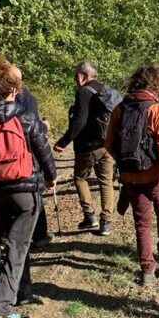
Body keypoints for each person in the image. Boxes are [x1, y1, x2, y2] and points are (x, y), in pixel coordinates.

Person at [0, 55, 56, 318]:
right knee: (18, 247)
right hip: (25, 190)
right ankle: (1, 306)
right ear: (13, 90)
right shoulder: (26, 118)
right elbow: (43, 152)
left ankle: (22, 291)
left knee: (16, 242)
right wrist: (51, 177)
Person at [105, 64, 159, 288]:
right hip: (154, 173)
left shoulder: (120, 108)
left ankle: (147, 272)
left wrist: (125, 162)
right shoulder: (156, 109)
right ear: (156, 84)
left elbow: (108, 143)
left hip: (130, 175)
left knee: (141, 223)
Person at [0, 66, 51, 263]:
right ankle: (34, 240)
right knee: (30, 203)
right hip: (24, 167)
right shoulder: (27, 100)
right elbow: (35, 131)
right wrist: (50, 174)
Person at [54, 61, 120, 234]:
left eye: (76, 75)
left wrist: (63, 142)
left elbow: (79, 121)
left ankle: (90, 216)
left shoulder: (83, 92)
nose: (75, 79)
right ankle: (106, 222)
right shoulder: (105, 90)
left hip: (87, 146)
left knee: (79, 178)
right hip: (106, 144)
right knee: (105, 182)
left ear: (84, 75)